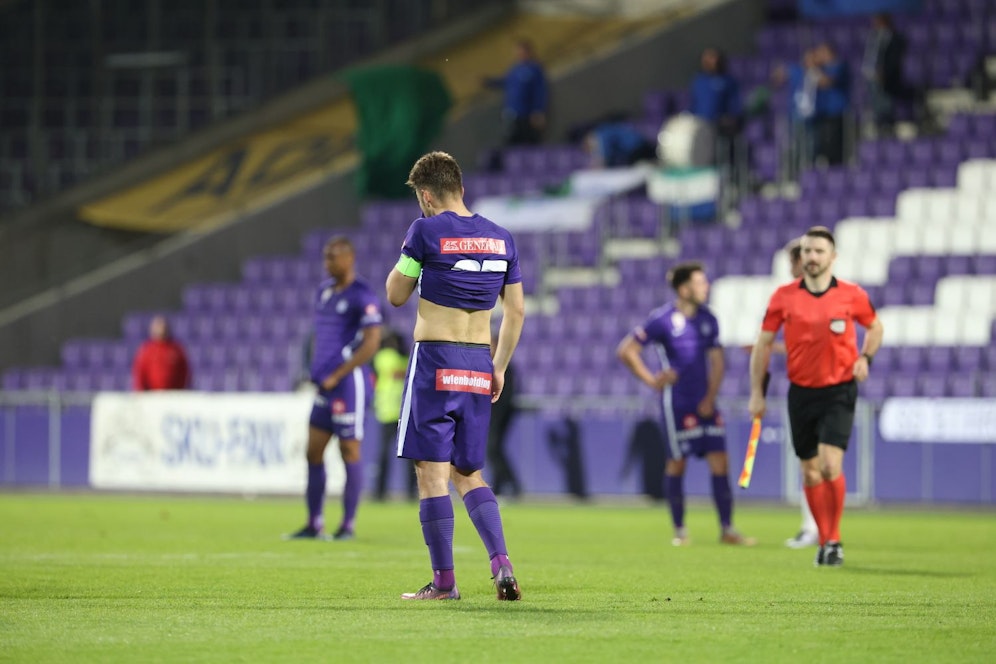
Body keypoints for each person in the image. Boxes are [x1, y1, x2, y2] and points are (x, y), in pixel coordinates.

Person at [386, 150, 525, 601]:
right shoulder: (502, 238)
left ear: (426, 196)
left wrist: (414, 259)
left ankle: (444, 582)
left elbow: (394, 294)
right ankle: (501, 562)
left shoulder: (424, 231)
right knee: (469, 472)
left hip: (435, 360)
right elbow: (517, 310)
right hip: (478, 362)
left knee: (431, 473)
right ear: (461, 188)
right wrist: (498, 366)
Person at [748, 226, 883, 567]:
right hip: (801, 392)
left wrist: (865, 358)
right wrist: (756, 392)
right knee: (809, 472)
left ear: (832, 257)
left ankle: (834, 539)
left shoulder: (852, 295)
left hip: (839, 389)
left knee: (829, 465)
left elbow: (876, 326)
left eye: (819, 251)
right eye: (807, 251)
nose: (811, 257)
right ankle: (823, 541)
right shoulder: (783, 297)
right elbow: (763, 344)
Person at [617, 262, 754, 547]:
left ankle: (727, 528)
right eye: (701, 282)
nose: (707, 287)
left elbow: (717, 362)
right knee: (677, 464)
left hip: (706, 403)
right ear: (684, 288)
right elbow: (627, 350)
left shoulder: (709, 319)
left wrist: (710, 398)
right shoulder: (663, 319)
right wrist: (652, 380)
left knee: (721, 462)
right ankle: (680, 530)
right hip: (676, 404)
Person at [286, 237, 383, 541]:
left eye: (334, 258)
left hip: (348, 384)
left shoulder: (362, 295)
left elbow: (371, 343)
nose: (328, 264)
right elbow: (320, 336)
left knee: (349, 450)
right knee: (313, 451)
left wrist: (338, 373)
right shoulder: (324, 292)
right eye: (326, 258)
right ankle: (314, 523)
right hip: (323, 385)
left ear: (350, 258)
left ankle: (348, 525)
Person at [779, 238, 819, 549]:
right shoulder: (790, 298)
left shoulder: (820, 295)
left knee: (817, 462)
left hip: (825, 388)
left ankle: (817, 528)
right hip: (803, 386)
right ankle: (815, 528)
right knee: (811, 462)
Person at [372, 328, 416, 501]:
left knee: (398, 456)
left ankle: (406, 491)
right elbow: (400, 372)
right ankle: (381, 491)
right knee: (392, 455)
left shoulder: (396, 358)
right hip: (390, 413)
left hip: (399, 413)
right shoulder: (385, 357)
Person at [483, 38, 548, 147]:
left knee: (530, 143)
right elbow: (504, 82)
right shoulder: (514, 70)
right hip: (512, 114)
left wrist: (538, 111)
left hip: (527, 115)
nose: (519, 54)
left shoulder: (534, 69)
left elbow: (539, 91)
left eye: (522, 51)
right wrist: (489, 82)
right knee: (511, 143)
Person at [862, 13, 907, 136]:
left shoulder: (897, 38)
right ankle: (880, 127)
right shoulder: (873, 37)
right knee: (877, 105)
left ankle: (888, 128)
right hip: (873, 78)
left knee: (886, 105)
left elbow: (894, 60)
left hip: (888, 79)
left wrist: (884, 73)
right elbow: (871, 55)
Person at [487, 339, 522, 498]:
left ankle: (512, 483)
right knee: (494, 449)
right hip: (493, 414)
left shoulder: (503, 369)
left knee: (492, 448)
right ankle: (500, 486)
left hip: (500, 414)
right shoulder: (491, 368)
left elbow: (505, 397)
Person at [813, 43, 851, 166]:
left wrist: (815, 69)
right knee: (824, 144)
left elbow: (827, 82)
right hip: (823, 111)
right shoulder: (823, 68)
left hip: (837, 112)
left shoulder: (839, 66)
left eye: (822, 52)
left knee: (835, 145)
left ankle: (837, 170)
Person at [132, 315, 190, 391]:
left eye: (162, 326)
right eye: (157, 326)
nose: (160, 329)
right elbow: (139, 373)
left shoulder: (176, 349)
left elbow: (184, 371)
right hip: (152, 395)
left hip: (172, 395)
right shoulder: (146, 350)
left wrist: (179, 391)